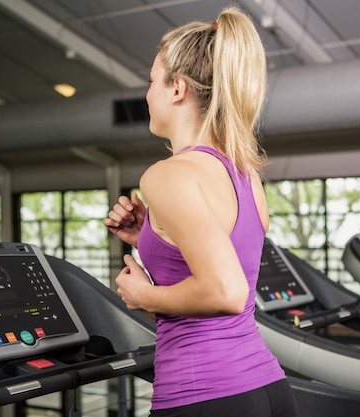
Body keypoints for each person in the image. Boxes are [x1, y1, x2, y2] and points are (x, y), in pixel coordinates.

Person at [103, 5, 298, 417]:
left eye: (152, 81)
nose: (147, 94)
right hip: (266, 387)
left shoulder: (165, 176)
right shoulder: (245, 173)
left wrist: (143, 295)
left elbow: (227, 293)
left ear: (177, 89)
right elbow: (220, 254)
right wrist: (150, 236)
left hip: (203, 394)